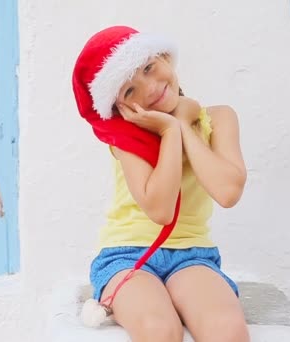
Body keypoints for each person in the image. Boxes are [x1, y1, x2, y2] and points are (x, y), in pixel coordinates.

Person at [72, 25, 250, 342]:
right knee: (159, 330)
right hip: (128, 257)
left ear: (165, 57)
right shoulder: (124, 139)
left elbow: (227, 191)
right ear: (120, 107)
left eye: (149, 68)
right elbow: (160, 209)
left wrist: (183, 124)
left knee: (226, 329)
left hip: (193, 255)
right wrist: (169, 133)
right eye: (129, 91)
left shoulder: (219, 118)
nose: (149, 88)